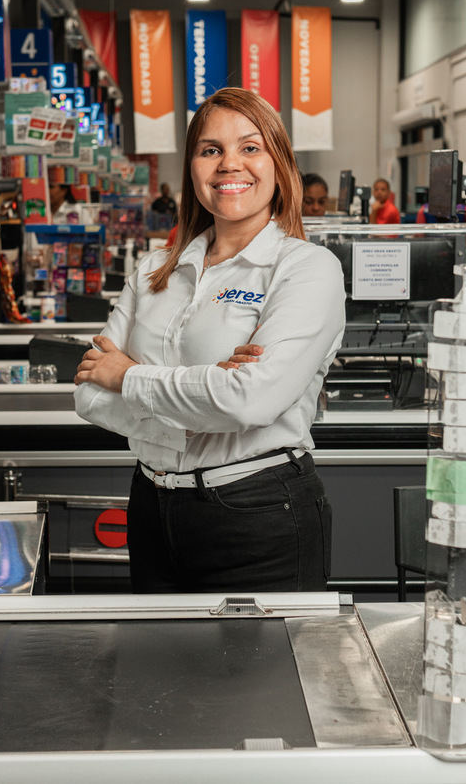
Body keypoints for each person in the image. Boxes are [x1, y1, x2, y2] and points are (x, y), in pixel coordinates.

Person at [74, 87, 345, 593]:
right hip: (151, 506)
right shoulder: (156, 267)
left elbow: (250, 399)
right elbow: (90, 392)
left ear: (278, 163)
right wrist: (205, 395)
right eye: (210, 149)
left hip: (258, 512)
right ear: (193, 167)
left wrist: (130, 374)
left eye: (250, 147)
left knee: (263, 673)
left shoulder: (307, 269)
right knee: (160, 671)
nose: (229, 164)